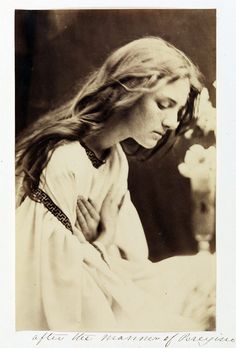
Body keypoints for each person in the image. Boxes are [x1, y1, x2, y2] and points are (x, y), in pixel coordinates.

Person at [15, 36, 215, 331]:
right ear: (128, 90)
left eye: (177, 110)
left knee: (210, 274)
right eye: (164, 104)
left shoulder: (115, 159)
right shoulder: (63, 162)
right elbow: (50, 278)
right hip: (70, 301)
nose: (172, 122)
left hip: (107, 280)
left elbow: (132, 255)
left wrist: (101, 241)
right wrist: (101, 243)